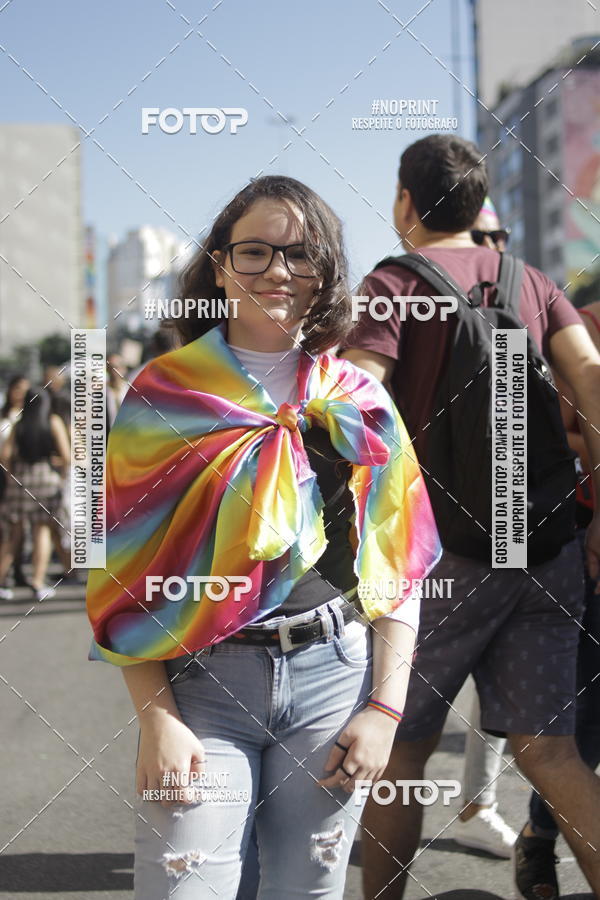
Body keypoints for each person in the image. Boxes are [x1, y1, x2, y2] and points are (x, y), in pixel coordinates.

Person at [85, 175, 442, 899]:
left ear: (325, 272)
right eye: (255, 251)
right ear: (219, 265)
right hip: (203, 688)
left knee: (306, 889)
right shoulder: (162, 395)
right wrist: (157, 721)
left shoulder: (359, 398)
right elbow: (124, 576)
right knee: (181, 884)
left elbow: (398, 564)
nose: (279, 270)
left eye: (301, 254)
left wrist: (384, 709)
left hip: (333, 680)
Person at [339, 134, 600, 900]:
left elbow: (360, 399)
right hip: (546, 549)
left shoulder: (392, 285)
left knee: (401, 750)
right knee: (550, 752)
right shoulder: (531, 281)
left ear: (406, 203)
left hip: (441, 563)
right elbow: (587, 374)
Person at [512, 302, 600, 898]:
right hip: (589, 532)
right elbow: (553, 432)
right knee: (587, 712)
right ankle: (541, 834)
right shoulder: (580, 328)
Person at [446, 197, 517, 859]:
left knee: (501, 685)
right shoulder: (417, 311)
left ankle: (479, 801)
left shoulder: (526, 312)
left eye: (499, 236)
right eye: (481, 235)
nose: (493, 245)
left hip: (509, 536)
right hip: (426, 546)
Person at [0, 387, 70, 600]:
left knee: (13, 535)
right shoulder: (53, 421)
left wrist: (12, 475)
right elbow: (67, 456)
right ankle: (38, 583)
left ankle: (1, 580)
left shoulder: (19, 424)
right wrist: (58, 469)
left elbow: (5, 455)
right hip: (46, 480)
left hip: (21, 481)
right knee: (43, 532)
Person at [0, 375, 30, 596]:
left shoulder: (30, 417)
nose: (20, 394)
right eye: (17, 388)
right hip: (4, 477)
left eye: (24, 390)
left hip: (20, 477)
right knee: (8, 528)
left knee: (19, 527)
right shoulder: (4, 415)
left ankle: (17, 569)